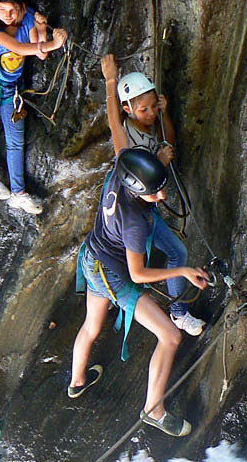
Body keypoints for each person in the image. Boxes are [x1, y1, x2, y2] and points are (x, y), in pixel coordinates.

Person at [68, 147, 211, 436]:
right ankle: (153, 411)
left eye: (162, 189)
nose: (162, 197)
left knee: (91, 326)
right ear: (136, 190)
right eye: (154, 194)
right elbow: (138, 274)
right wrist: (182, 271)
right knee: (170, 336)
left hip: (92, 258)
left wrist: (159, 161)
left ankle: (77, 382)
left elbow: (126, 150)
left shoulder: (119, 172)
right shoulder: (134, 222)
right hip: (114, 276)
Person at [101, 54, 205, 336]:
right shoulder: (126, 139)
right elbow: (113, 118)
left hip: (146, 206)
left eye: (153, 107)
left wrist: (165, 114)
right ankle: (177, 313)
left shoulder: (151, 124)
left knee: (164, 253)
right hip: (134, 210)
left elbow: (168, 138)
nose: (151, 114)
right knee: (166, 254)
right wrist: (111, 79)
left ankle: (170, 310)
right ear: (129, 109)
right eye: (144, 109)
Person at [0, 0, 68, 215]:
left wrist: (44, 29)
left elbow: (40, 52)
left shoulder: (27, 18)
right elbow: (17, 47)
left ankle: (19, 193)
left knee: (16, 141)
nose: (9, 15)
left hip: (12, 89)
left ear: (22, 6)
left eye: (13, 9)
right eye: (3, 10)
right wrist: (54, 44)